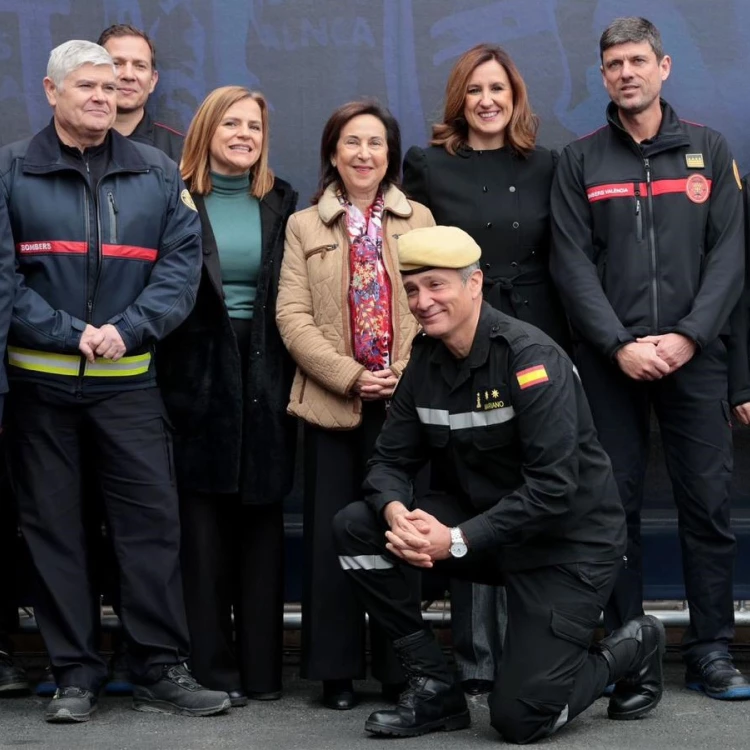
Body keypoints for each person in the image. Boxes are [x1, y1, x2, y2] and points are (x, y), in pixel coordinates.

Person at [332, 225, 665, 744]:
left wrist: (455, 539)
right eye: (413, 289)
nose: (422, 301)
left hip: (567, 547)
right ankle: (435, 687)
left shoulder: (530, 358)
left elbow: (554, 489)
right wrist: (396, 510)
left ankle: (632, 645)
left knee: (520, 720)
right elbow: (388, 462)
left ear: (475, 283)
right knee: (358, 525)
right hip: (493, 535)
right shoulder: (425, 361)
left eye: (436, 286)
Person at [0, 39, 230, 722]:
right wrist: (66, 333)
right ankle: (75, 674)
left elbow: (180, 271)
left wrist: (128, 329)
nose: (103, 96)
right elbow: (5, 279)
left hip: (128, 386)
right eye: (87, 87)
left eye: (110, 86)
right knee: (54, 532)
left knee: (150, 530)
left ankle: (159, 666)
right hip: (41, 392)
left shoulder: (158, 174)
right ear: (51, 91)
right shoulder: (11, 170)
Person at [550, 16, 750, 704]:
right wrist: (619, 344)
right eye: (614, 65)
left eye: (637, 61)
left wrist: (690, 336)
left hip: (698, 360)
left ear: (664, 68)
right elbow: (570, 264)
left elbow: (730, 259)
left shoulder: (708, 149)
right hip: (611, 363)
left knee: (709, 508)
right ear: (602, 76)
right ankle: (626, 651)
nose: (626, 73)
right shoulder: (580, 161)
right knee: (612, 510)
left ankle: (712, 651)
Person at [402, 42, 570, 695]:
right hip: (459, 346)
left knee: (528, 491)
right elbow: (411, 261)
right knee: (469, 487)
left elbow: (564, 259)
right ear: (459, 100)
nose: (488, 100)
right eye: (475, 90)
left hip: (533, 343)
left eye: (498, 88)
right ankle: (474, 660)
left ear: (516, 96)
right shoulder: (427, 165)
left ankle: (530, 651)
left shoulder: (549, 166)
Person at [276, 99, 434, 710]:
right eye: (351, 143)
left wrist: (400, 373)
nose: (363, 154)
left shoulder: (418, 218)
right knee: (328, 539)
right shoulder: (303, 226)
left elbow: (433, 302)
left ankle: (404, 669)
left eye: (375, 142)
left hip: (402, 404)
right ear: (333, 154)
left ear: (390, 153)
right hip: (331, 404)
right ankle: (334, 671)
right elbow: (291, 316)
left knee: (399, 534)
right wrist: (349, 376)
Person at [158, 85, 297, 706]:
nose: (245, 134)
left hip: (267, 374)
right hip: (195, 375)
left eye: (255, 127)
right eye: (232, 124)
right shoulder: (174, 199)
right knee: (202, 531)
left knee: (261, 523)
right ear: (207, 130)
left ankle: (264, 673)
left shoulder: (283, 203)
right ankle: (212, 672)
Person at [97, 24, 183, 162]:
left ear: (153, 81)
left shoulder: (179, 151)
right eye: (117, 64)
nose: (129, 75)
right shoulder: (71, 144)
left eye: (140, 66)